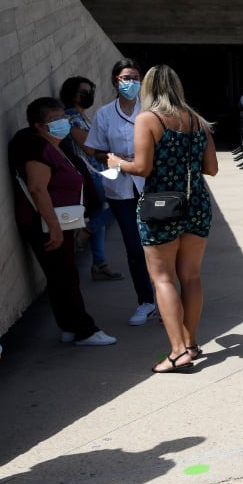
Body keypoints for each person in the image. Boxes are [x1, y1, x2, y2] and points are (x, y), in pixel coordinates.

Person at [108, 65, 218, 373]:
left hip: (160, 205)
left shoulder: (148, 119)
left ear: (147, 88)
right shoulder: (197, 121)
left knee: (163, 278)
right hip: (196, 202)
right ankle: (191, 341)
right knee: (192, 276)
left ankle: (177, 351)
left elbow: (142, 168)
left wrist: (117, 162)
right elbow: (212, 168)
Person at [9, 97, 117, 347]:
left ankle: (69, 326)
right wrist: (55, 228)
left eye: (62, 117)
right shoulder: (36, 150)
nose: (62, 123)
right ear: (39, 125)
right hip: (47, 225)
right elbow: (38, 189)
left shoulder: (55, 146)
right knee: (65, 278)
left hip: (58, 223)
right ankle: (85, 331)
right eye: (54, 120)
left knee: (63, 277)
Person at [84, 59, 158, 327]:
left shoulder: (150, 110)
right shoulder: (105, 114)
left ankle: (166, 299)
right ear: (115, 80)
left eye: (136, 77)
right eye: (126, 78)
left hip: (150, 186)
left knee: (158, 244)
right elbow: (93, 148)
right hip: (121, 189)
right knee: (135, 247)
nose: (131, 82)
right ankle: (146, 302)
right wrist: (115, 158)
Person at [60, 75, 123, 281]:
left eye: (90, 91)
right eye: (84, 92)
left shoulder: (83, 116)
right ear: (73, 95)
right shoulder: (71, 117)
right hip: (88, 176)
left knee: (100, 213)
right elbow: (90, 147)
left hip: (96, 173)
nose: (89, 95)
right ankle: (86, 230)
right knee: (126, 200)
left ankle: (100, 263)